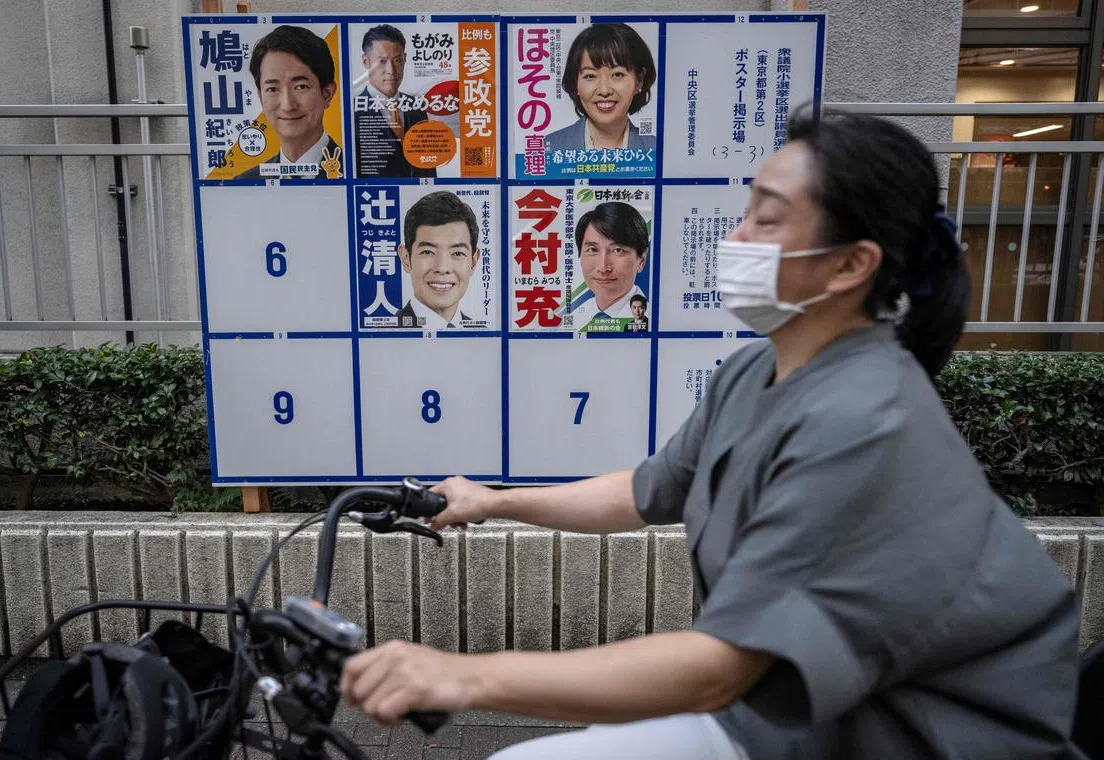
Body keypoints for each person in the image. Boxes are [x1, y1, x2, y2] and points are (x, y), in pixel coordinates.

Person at [339, 110, 1081, 759]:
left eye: (767, 216)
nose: (736, 236)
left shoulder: (868, 418)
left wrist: (465, 675)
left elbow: (721, 666)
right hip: (790, 722)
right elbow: (644, 490)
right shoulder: (756, 370)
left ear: (852, 264)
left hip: (910, 737)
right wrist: (491, 501)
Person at [236, 25, 340, 180]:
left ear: (327, 94)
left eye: (300, 87)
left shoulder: (363, 174)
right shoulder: (246, 182)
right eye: (272, 89)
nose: (288, 105)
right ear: (261, 98)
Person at [544, 24, 657, 155]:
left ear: (639, 80)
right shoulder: (547, 149)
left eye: (617, 74)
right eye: (590, 76)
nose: (604, 91)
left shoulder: (658, 150)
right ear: (576, 83)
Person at [353, 24, 435, 178]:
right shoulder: (351, 111)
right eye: (382, 61)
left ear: (405, 59)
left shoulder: (416, 106)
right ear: (366, 61)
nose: (391, 70)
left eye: (397, 60)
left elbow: (428, 168)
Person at [395, 191, 483, 329]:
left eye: (458, 253)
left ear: (473, 261)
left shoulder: (484, 336)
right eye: (428, 252)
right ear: (406, 258)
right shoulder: (383, 336)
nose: (442, 268)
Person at [568, 201, 649, 330]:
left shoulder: (653, 321)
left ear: (641, 260)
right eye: (593, 250)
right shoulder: (573, 318)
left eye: (618, 250)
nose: (603, 267)